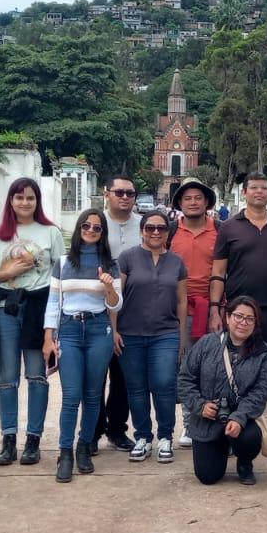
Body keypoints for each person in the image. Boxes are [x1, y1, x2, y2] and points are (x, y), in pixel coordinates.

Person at [0, 177, 65, 467]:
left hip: (40, 309)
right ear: (11, 201)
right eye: (19, 198)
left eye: (30, 197)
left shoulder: (51, 232)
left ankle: (33, 439)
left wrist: (54, 324)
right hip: (7, 308)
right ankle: (8, 439)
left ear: (37, 201)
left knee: (38, 375)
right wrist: (9, 272)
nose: (24, 203)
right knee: (7, 376)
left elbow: (59, 277)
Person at [208, 173, 267, 440]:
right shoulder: (229, 227)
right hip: (240, 313)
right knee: (236, 369)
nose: (259, 192)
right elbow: (218, 272)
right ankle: (238, 427)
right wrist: (216, 308)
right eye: (254, 188)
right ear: (245, 192)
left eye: (264, 188)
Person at [44, 209, 123, 483]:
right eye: (86, 226)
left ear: (103, 233)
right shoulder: (63, 262)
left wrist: (110, 287)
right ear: (79, 229)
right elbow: (53, 302)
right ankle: (64, 453)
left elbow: (116, 304)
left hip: (98, 329)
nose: (91, 230)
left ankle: (83, 447)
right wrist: (48, 338)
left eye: (97, 228)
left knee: (92, 396)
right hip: (69, 331)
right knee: (71, 395)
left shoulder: (110, 264)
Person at [177, 296, 267, 487]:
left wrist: (239, 417)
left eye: (249, 318)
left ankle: (245, 463)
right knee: (207, 476)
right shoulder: (207, 344)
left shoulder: (264, 352)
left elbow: (261, 391)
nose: (243, 322)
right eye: (238, 316)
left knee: (250, 438)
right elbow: (184, 378)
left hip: (242, 420)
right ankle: (220, 447)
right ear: (227, 317)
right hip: (208, 417)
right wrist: (200, 405)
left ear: (255, 323)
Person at [116, 208, 188, 463]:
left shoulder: (177, 262)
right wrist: (113, 329)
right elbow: (115, 298)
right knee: (136, 389)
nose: (155, 232)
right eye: (150, 228)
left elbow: (182, 300)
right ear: (142, 231)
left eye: (161, 228)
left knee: (164, 385)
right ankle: (143, 437)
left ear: (168, 232)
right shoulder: (127, 258)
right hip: (131, 334)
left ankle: (166, 436)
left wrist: (181, 336)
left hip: (165, 334)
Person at [97, 176, 142, 451]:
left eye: (130, 193)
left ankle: (117, 429)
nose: (125, 197)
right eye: (119, 192)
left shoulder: (143, 226)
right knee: (95, 377)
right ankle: (91, 431)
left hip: (133, 309)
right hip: (96, 309)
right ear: (107, 194)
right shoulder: (96, 222)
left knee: (122, 376)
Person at [168, 179, 219, 342]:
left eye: (198, 198)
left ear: (207, 202)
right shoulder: (169, 231)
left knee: (211, 364)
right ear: (180, 203)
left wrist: (218, 308)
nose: (193, 202)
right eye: (187, 198)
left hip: (212, 311)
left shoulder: (221, 230)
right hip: (175, 311)